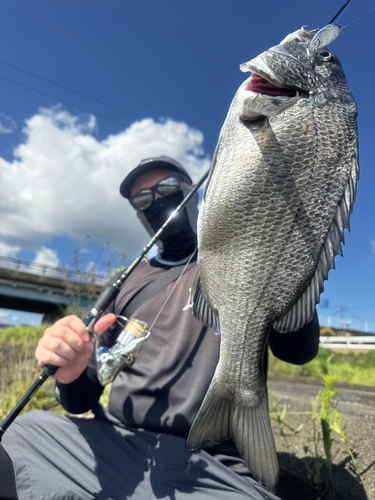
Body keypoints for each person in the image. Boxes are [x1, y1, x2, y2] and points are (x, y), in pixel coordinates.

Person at [2, 156, 320, 500]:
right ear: (138, 214)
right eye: (143, 200)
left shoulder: (246, 259)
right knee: (21, 432)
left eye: (167, 188)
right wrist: (70, 374)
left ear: (194, 191)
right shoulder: (126, 284)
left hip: (219, 466)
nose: (156, 200)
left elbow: (298, 351)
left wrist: (285, 260)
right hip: (117, 443)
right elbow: (81, 399)